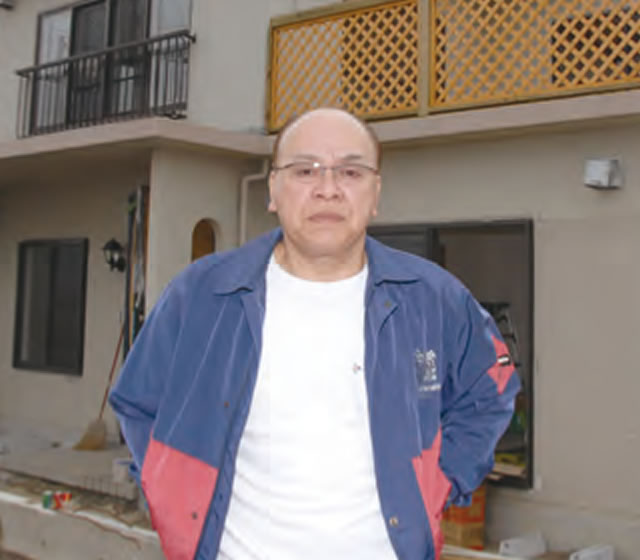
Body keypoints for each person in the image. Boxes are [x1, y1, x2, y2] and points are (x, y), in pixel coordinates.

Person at [109, 108, 520, 560]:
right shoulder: (203, 294)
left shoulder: (433, 298)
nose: (328, 188)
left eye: (351, 171)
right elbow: (138, 401)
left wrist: (444, 479)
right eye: (305, 170)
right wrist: (173, 494)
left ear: (376, 192)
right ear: (273, 190)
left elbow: (493, 386)